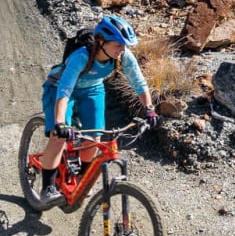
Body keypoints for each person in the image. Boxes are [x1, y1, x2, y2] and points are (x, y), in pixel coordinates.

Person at [36, 15, 158, 210]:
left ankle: (81, 180)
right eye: (118, 44)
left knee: (95, 136)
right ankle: (47, 189)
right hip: (59, 89)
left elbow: (139, 83)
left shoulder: (122, 56)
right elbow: (65, 90)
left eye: (124, 45)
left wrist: (149, 109)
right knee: (58, 138)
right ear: (101, 42)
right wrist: (60, 123)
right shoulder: (81, 57)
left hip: (92, 89)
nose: (122, 49)